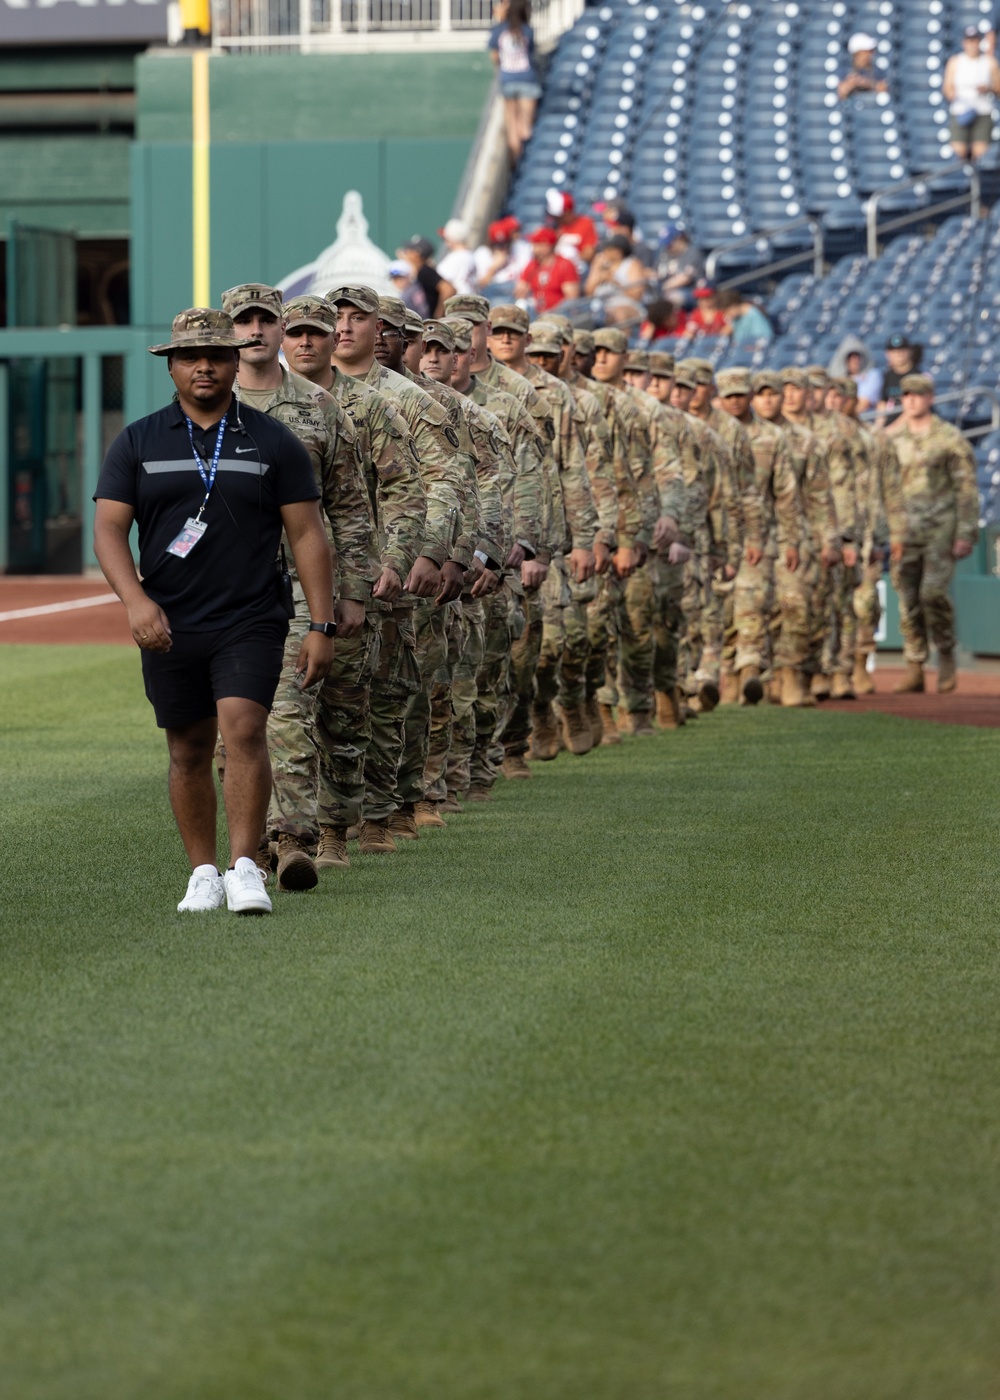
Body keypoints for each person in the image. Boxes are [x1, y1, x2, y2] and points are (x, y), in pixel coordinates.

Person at [92, 309, 335, 916]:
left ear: (235, 363)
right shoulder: (138, 440)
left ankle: (245, 865)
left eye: (217, 356)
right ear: (171, 367)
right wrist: (137, 601)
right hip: (169, 621)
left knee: (245, 728)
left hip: (251, 615)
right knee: (188, 749)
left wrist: (322, 624)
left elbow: (307, 535)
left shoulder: (272, 438)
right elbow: (108, 530)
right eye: (191, 357)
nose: (204, 366)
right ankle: (203, 871)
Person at [221, 283, 376, 892]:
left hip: (292, 590)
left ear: (281, 328)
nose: (256, 330)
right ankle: (250, 846)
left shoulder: (318, 407)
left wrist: (353, 589)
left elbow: (351, 506)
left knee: (285, 714)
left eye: (266, 320)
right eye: (244, 321)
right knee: (228, 729)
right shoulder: (205, 403)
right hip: (220, 590)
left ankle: (292, 841)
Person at [881, 373, 978, 695]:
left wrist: (965, 532)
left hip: (940, 528)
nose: (911, 400)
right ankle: (914, 665)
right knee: (907, 598)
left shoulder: (949, 438)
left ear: (930, 398)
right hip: (904, 529)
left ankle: (946, 652)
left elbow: (966, 489)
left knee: (932, 593)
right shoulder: (893, 438)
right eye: (906, 395)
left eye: (918, 395)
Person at [488, 0, 542, 165]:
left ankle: (517, 168)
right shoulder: (527, 30)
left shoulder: (499, 31)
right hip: (527, 79)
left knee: (512, 127)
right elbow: (531, 52)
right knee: (525, 128)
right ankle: (527, 163)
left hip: (508, 79)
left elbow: (495, 56)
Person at [943, 26, 1000, 162]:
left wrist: (988, 89)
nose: (972, 45)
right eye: (969, 41)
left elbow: (998, 88)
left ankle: (976, 180)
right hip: (961, 110)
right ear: (964, 43)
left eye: (975, 41)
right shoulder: (955, 62)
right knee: (958, 150)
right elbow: (947, 88)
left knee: (980, 153)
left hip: (982, 111)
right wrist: (953, 94)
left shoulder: (989, 62)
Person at [515, 227, 581, 312]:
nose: (533, 247)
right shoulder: (533, 265)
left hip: (558, 315)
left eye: (536, 243)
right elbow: (520, 290)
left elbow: (572, 299)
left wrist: (551, 312)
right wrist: (521, 292)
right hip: (536, 312)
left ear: (546, 246)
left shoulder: (565, 265)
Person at [583, 234, 653, 302]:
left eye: (609, 249)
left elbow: (636, 295)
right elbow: (588, 292)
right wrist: (599, 279)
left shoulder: (632, 264)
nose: (605, 252)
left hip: (626, 304)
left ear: (619, 251)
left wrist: (613, 281)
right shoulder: (599, 263)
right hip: (601, 303)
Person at [399, 236, 455, 317]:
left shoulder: (425, 271)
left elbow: (449, 289)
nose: (407, 252)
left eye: (410, 250)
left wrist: (438, 315)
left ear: (418, 253)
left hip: (432, 323)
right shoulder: (422, 270)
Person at [473, 215, 531, 291]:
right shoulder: (482, 253)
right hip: (493, 294)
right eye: (498, 245)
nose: (501, 248)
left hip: (514, 292)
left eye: (504, 244)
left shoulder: (518, 249)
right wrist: (494, 267)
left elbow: (527, 277)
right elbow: (480, 286)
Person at [544, 189, 599, 269]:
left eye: (558, 216)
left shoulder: (585, 223)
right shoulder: (554, 227)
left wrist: (570, 259)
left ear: (567, 213)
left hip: (578, 269)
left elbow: (589, 254)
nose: (555, 219)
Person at [656, 225, 705, 308]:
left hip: (691, 291)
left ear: (680, 239)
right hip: (667, 290)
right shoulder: (665, 253)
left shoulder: (693, 253)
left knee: (672, 298)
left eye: (670, 243)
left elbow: (685, 279)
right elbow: (656, 273)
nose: (668, 247)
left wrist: (662, 288)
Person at [837, 32, 888, 100]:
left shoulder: (877, 70)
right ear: (857, 53)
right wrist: (852, 83)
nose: (871, 54)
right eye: (867, 51)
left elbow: (884, 90)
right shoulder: (845, 70)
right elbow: (841, 93)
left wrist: (868, 84)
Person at [436, 219, 478, 298]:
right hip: (470, 300)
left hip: (457, 302)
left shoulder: (455, 257)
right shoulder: (470, 256)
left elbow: (440, 282)